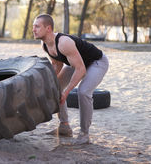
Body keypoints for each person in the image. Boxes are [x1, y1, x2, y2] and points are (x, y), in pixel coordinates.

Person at [32, 14, 109, 145]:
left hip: (96, 62)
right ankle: (64, 126)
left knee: (83, 92)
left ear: (48, 28)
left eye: (37, 26)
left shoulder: (63, 42)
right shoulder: (45, 44)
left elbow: (81, 70)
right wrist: (48, 83)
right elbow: (57, 64)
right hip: (75, 64)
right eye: (33, 26)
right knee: (55, 87)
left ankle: (84, 134)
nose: (33, 29)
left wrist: (66, 92)